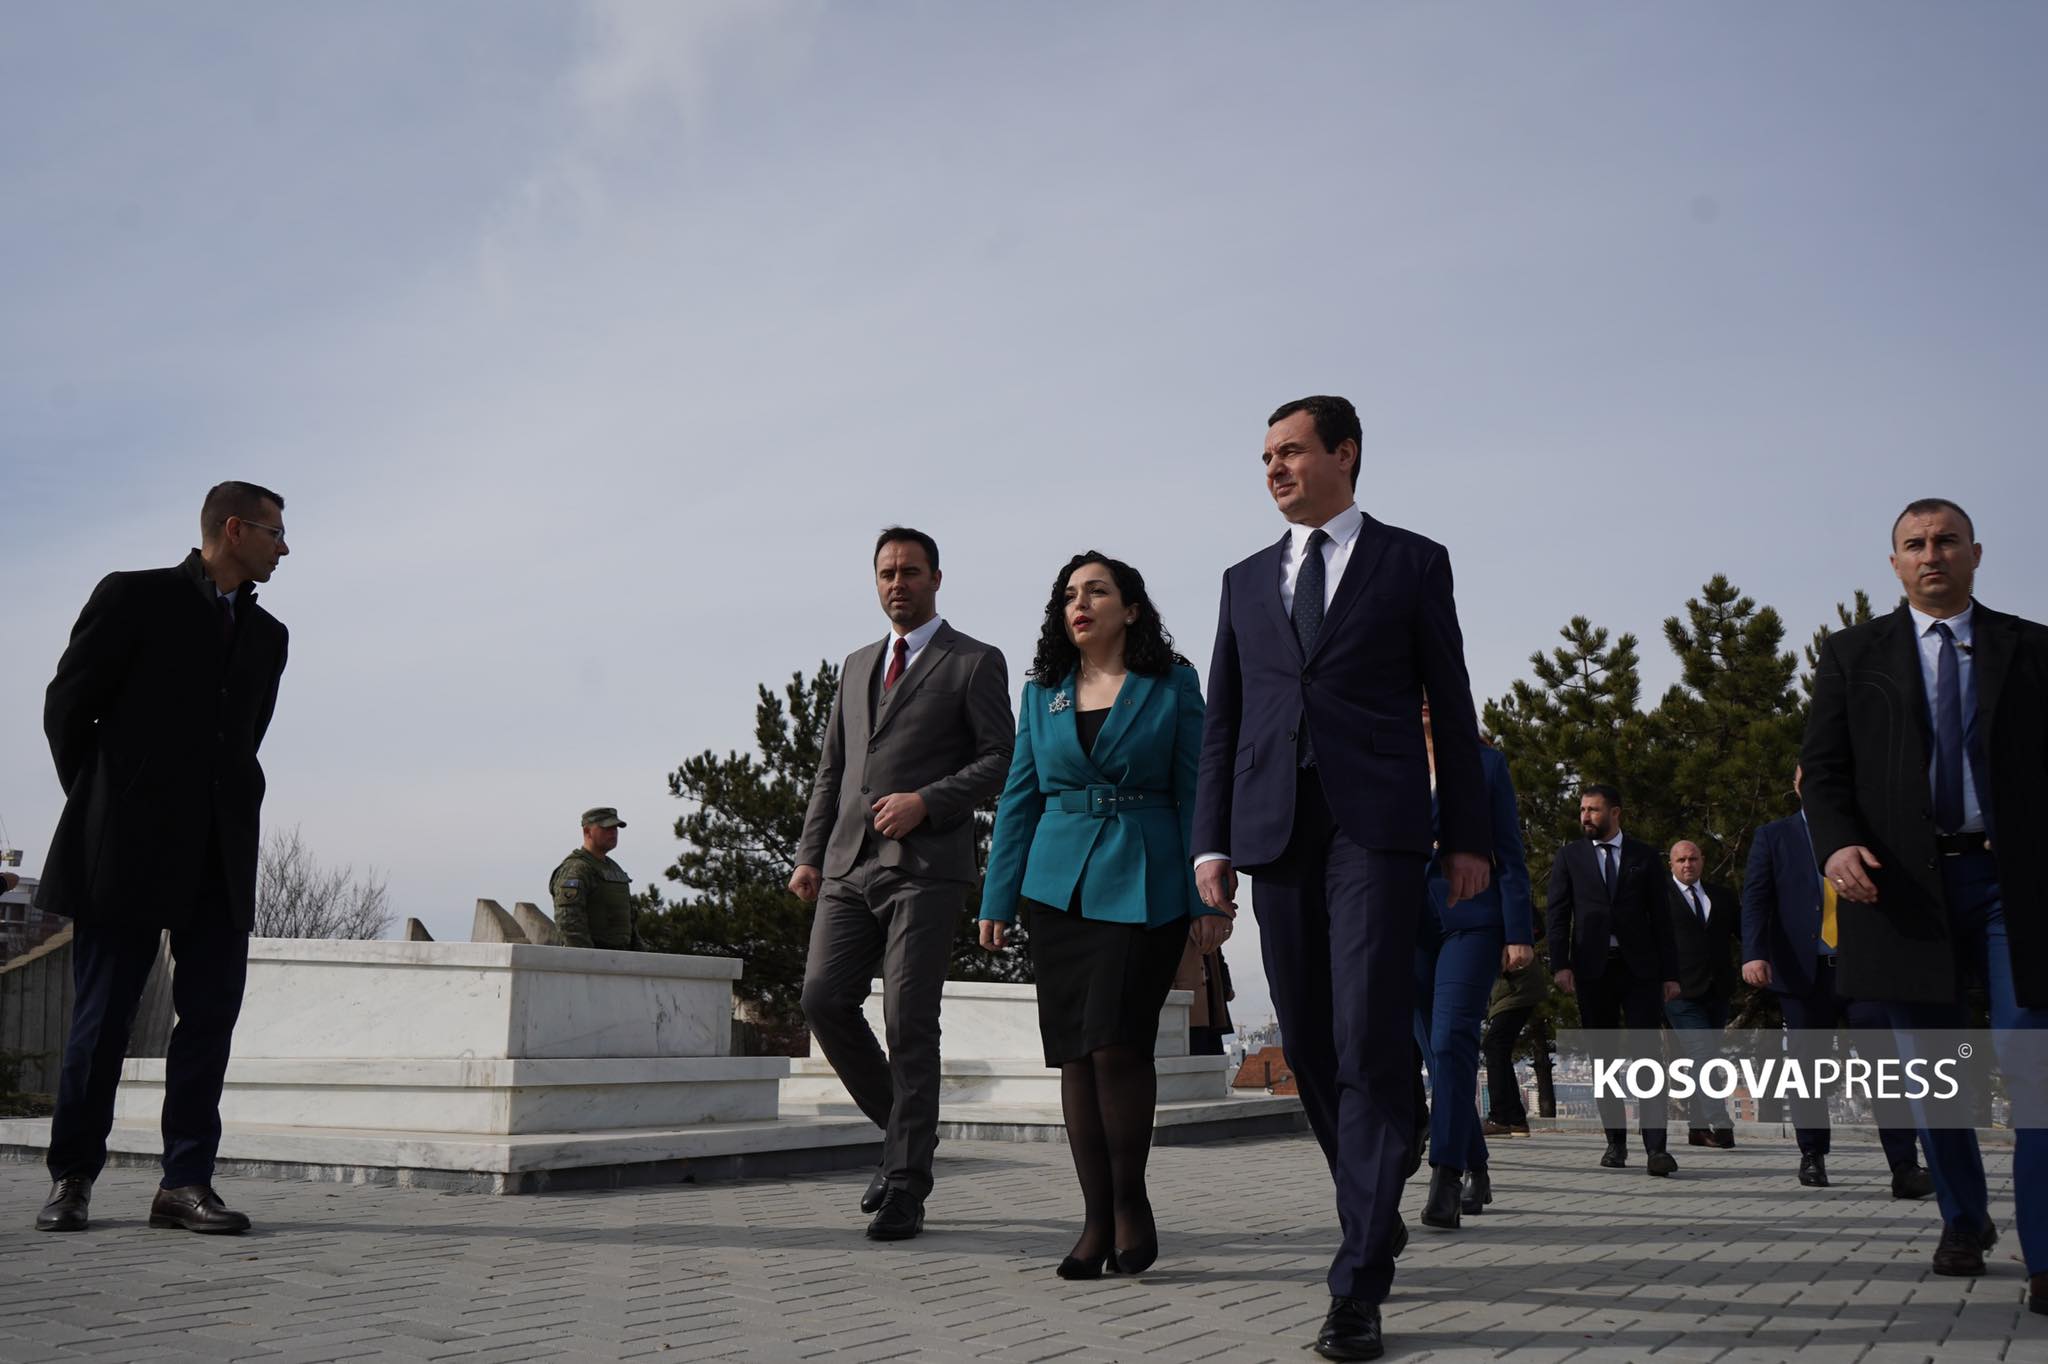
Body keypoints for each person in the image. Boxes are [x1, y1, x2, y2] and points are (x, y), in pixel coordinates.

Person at [1193, 395, 1492, 1363]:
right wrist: (1210, 843)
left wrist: (1467, 833)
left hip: (1376, 828)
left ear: (1344, 454)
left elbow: (1448, 698)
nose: (1273, 469)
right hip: (1274, 829)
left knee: (1367, 1028)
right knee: (1309, 1038)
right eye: (1265, 456)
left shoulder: (1411, 561)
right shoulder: (1242, 581)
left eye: (1290, 451)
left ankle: (1357, 1276)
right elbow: (1223, 721)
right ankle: (1372, 1193)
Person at [1801, 498, 2046, 1305]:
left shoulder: (2032, 648)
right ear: (1896, 563)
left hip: (2017, 886)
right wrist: (1835, 843)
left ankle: (2044, 1251)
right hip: (1904, 888)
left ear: (1976, 553)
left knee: (2032, 1066)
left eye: (1946, 541)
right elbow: (1825, 772)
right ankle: (1963, 1219)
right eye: (1915, 544)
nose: (1931, 554)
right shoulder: (1850, 654)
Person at [34, 481, 291, 1236]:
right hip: (128, 852)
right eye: (277, 531)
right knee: (101, 1022)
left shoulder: (269, 636)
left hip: (220, 853)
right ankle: (72, 1178)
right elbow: (67, 708)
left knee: (208, 1022)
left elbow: (245, 738)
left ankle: (184, 1184)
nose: (285, 547)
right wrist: (109, 803)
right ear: (234, 529)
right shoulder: (132, 598)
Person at [977, 552, 1227, 1278]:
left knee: (1119, 1044)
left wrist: (1206, 899)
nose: (1078, 604)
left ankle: (1130, 1206)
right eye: (1068, 596)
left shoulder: (1172, 684)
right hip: (1056, 889)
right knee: (1076, 1055)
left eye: (1096, 591)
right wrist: (998, 894)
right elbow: (1020, 796)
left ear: (1132, 608)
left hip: (1143, 877)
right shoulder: (1042, 693)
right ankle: (1093, 1220)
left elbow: (1196, 792)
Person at [790, 527, 1013, 1242]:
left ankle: (907, 1183)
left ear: (936, 578)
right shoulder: (856, 665)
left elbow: (1001, 761)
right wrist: (809, 853)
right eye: (886, 573)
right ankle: (905, 1138)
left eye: (911, 572)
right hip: (848, 867)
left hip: (925, 867)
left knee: (908, 1020)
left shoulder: (974, 661)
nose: (897, 584)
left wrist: (928, 800)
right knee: (822, 999)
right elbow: (833, 771)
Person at [1740, 767, 1932, 1195]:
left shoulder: (1869, 833)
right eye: (1806, 779)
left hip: (1863, 972)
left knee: (1884, 1071)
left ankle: (1904, 1165)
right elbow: (1756, 896)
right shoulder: (1775, 836)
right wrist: (1753, 953)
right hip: (1802, 975)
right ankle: (1812, 1156)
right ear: (1795, 786)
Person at [1413, 709, 1533, 1230]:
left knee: (1450, 1041)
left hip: (1474, 919)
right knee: (1435, 1058)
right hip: (1406, 925)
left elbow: (1508, 851)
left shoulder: (1486, 765)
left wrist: (1518, 932)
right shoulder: (1386, 760)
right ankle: (1477, 1163)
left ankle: (1445, 1174)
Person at [1547, 785, 1680, 1175]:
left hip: (1640, 970)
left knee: (1647, 1059)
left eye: (1594, 809)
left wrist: (1670, 975)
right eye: (1583, 810)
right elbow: (1558, 914)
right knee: (1603, 1059)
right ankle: (1615, 1143)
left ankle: (1657, 1148)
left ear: (1615, 813)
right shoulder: (1569, 856)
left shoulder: (1643, 855)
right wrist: (1561, 964)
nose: (1586, 816)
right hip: (1592, 969)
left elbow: (1662, 918)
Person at [1660, 840, 1738, 1149]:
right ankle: (1720, 1124)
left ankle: (1697, 1128)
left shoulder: (1722, 897)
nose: (1687, 864)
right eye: (1680, 860)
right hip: (1678, 991)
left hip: (1717, 990)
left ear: (1702, 860)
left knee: (1701, 1058)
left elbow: (1744, 931)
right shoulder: (1660, 897)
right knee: (1705, 1055)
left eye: (1692, 858)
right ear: (1671, 864)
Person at [1480, 954, 1550, 1138]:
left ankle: (1502, 1118)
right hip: (1512, 987)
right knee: (1496, 1047)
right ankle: (1514, 1119)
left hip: (1516, 987)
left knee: (1494, 1045)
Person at [548, 808, 639, 950]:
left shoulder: (614, 868)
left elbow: (627, 923)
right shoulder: (576, 869)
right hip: (594, 960)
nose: (613, 832)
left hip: (619, 959)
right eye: (606, 828)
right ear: (587, 831)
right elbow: (569, 922)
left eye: (615, 828)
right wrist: (590, 960)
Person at [1175, 944, 1234, 1057]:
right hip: (1190, 1012)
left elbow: (1221, 963)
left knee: (1215, 1060)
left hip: (1213, 1009)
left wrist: (1227, 988)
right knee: (1196, 1056)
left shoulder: (1210, 931)